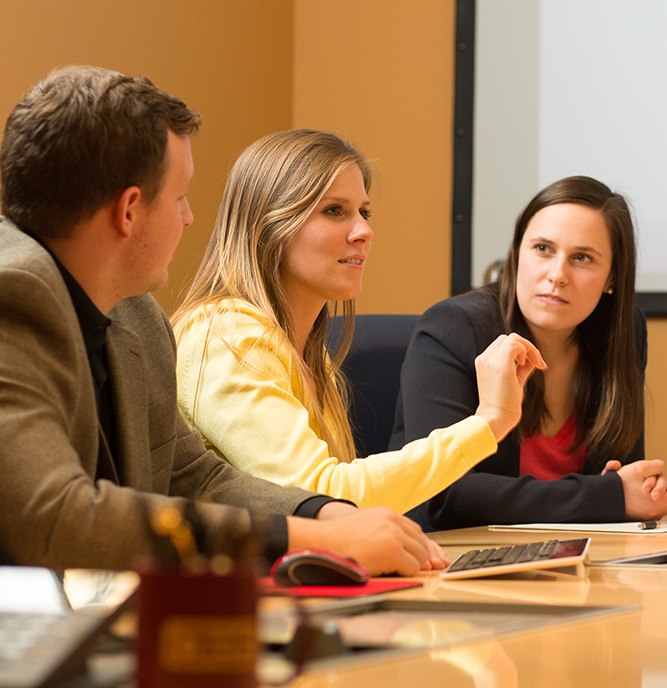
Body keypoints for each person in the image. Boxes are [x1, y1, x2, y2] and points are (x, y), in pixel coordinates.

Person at [0, 65, 455, 577]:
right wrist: (311, 536)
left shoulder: (136, 314)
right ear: (130, 211)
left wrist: (319, 510)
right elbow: (58, 520)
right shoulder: (4, 294)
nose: (187, 217)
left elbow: (192, 475)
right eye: (180, 196)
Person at [172, 129, 545, 514]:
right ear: (270, 224)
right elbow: (321, 498)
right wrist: (489, 421)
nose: (364, 231)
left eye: (364, 212)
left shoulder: (316, 361)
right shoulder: (225, 337)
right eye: (335, 211)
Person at [390, 175, 667, 530]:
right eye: (542, 249)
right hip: (447, 560)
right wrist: (606, 496)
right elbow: (442, 496)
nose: (557, 274)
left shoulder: (623, 330)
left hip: (579, 560)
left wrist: (637, 490)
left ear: (612, 277)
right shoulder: (454, 328)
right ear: (517, 253)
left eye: (582, 258)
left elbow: (625, 481)